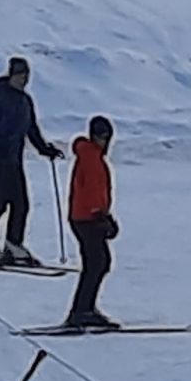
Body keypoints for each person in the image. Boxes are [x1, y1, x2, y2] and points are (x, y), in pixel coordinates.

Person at [0, 56, 61, 267]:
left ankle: (13, 244)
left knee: (21, 203)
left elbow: (31, 129)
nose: (23, 80)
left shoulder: (25, 101)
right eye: (20, 75)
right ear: (11, 75)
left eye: (26, 76)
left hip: (13, 159)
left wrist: (45, 149)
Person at [62, 116, 121, 332]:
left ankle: (84, 308)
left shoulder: (91, 155)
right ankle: (81, 311)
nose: (103, 141)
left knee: (97, 263)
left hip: (86, 217)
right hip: (87, 219)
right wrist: (101, 217)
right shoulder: (91, 158)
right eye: (100, 136)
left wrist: (106, 216)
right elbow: (92, 192)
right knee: (97, 263)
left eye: (106, 137)